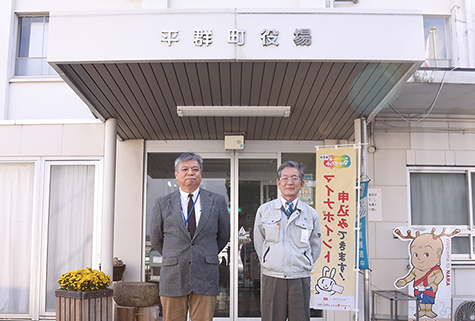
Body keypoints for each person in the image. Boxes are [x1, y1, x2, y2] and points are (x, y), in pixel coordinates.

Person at [151, 152, 230, 321]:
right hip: (173, 275)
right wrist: (175, 254)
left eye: (195, 169)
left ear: (201, 173)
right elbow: (157, 239)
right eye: (185, 169)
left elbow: (224, 235)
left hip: (206, 276)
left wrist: (205, 253)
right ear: (176, 174)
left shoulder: (217, 201)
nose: (190, 173)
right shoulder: (163, 203)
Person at [254, 161, 322, 321]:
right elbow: (259, 242)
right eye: (285, 178)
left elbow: (315, 245)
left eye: (294, 178)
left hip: (300, 276)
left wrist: (305, 261)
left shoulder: (311, 213)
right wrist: (267, 260)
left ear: (301, 183)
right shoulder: (265, 210)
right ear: (278, 183)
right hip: (273, 275)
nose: (289, 182)